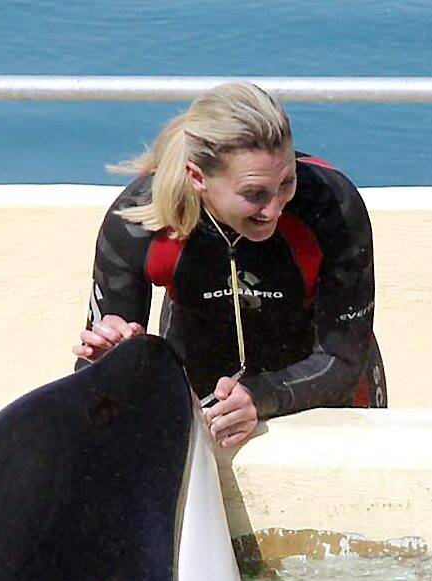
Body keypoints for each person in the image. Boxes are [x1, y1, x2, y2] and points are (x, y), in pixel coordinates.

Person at [76, 82, 385, 451]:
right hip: (201, 382)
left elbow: (343, 359)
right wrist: (112, 359)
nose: (274, 209)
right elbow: (92, 381)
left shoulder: (329, 205)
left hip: (321, 381)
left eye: (287, 182)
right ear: (197, 177)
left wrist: (261, 396)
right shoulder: (139, 220)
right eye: (254, 194)